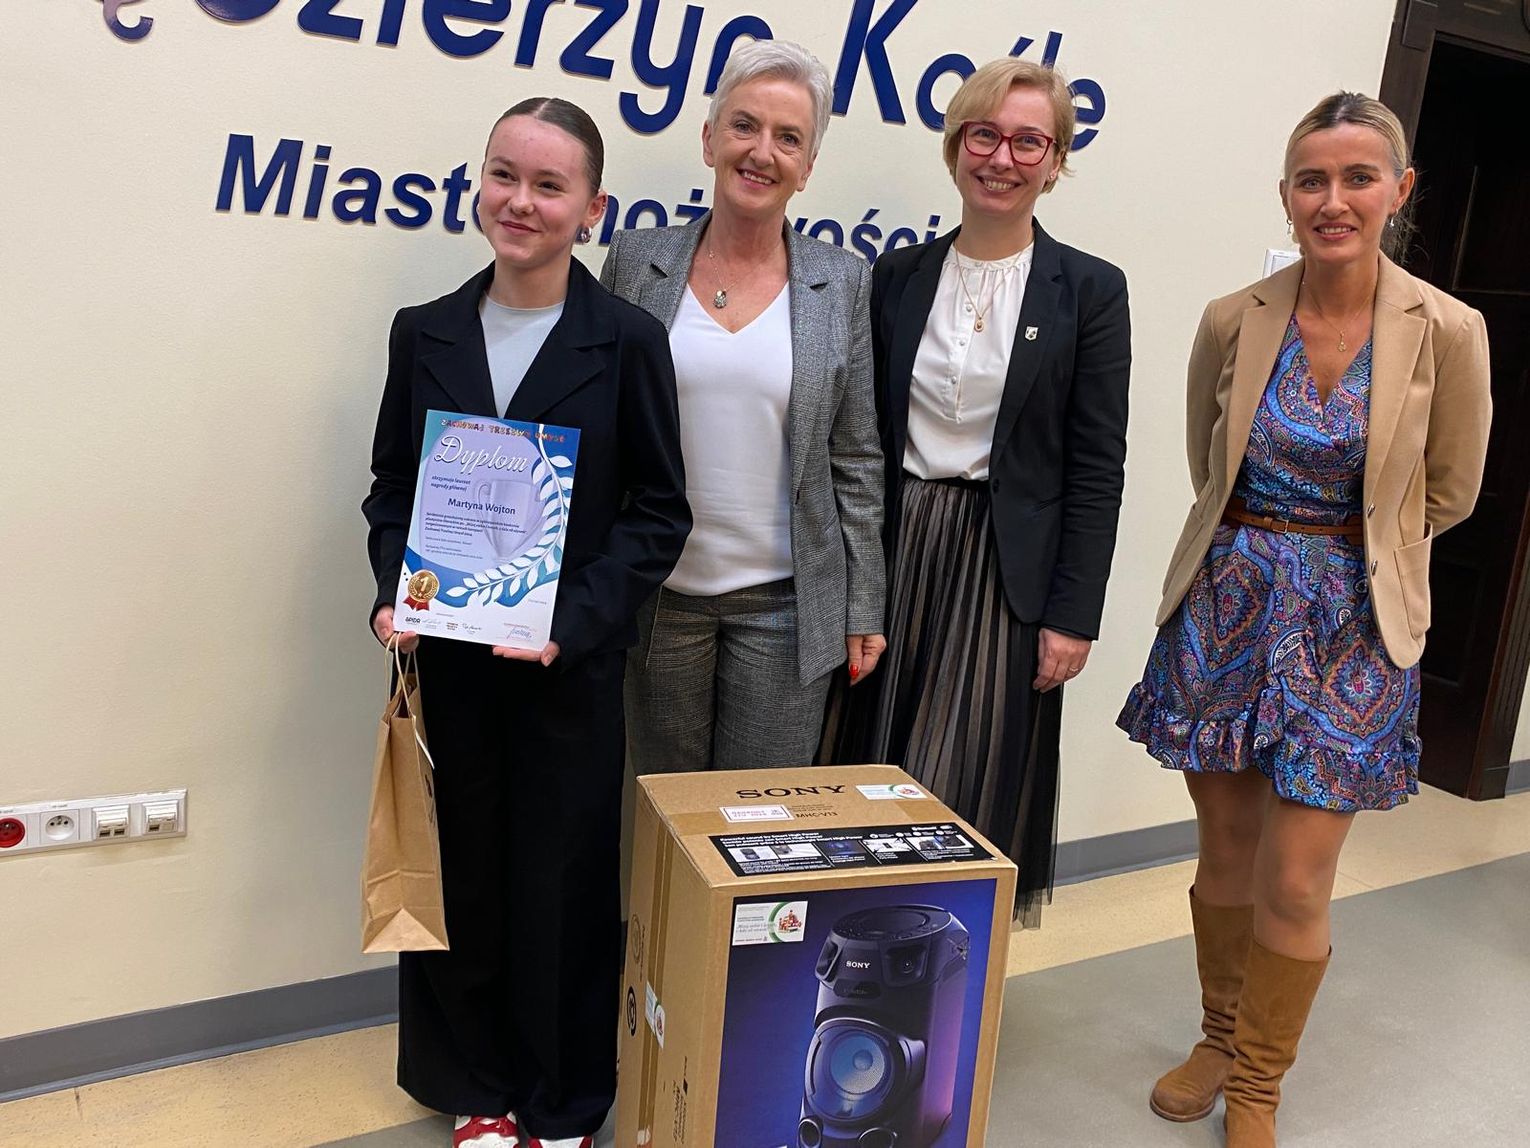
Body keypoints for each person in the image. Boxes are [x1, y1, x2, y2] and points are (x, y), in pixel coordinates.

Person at [1117, 92, 1491, 1146]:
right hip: (1229, 604)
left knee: (1296, 871)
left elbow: (1452, 488)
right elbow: (1208, 459)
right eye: (1312, 180)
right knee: (1228, 849)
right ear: (1285, 194)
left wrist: (1346, 551)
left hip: (1355, 622)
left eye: (1358, 178)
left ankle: (1259, 1084)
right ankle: (1217, 1036)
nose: (1334, 200)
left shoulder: (1448, 330)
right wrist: (1264, 548)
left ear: (1398, 191)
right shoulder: (1233, 317)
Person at [362, 98, 690, 1148]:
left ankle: (562, 1100)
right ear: (480, 183)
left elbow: (659, 512)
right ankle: (478, 1086)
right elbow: (392, 488)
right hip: (450, 662)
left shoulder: (627, 340)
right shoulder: (426, 330)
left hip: (565, 668)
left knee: (562, 884)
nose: (520, 200)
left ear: (591, 210)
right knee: (461, 873)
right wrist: (394, 588)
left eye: (550, 185)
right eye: (504, 174)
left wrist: (572, 621)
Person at [829, 58, 1131, 927]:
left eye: (1029, 141)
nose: (1002, 158)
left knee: (962, 776)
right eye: (984, 135)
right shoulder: (895, 277)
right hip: (896, 548)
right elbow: (858, 440)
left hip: (1005, 571)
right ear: (955, 145)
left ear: (1056, 160)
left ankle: (941, 963)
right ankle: (854, 952)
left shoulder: (1091, 290)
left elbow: (1096, 466)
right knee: (868, 765)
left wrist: (1073, 616)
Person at [600, 39, 886, 772]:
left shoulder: (843, 281)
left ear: (808, 166)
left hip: (785, 606)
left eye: (789, 138)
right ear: (709, 139)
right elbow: (598, 428)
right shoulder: (634, 261)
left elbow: (855, 457)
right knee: (660, 812)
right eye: (745, 125)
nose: (762, 152)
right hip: (657, 596)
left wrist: (863, 605)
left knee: (760, 819)